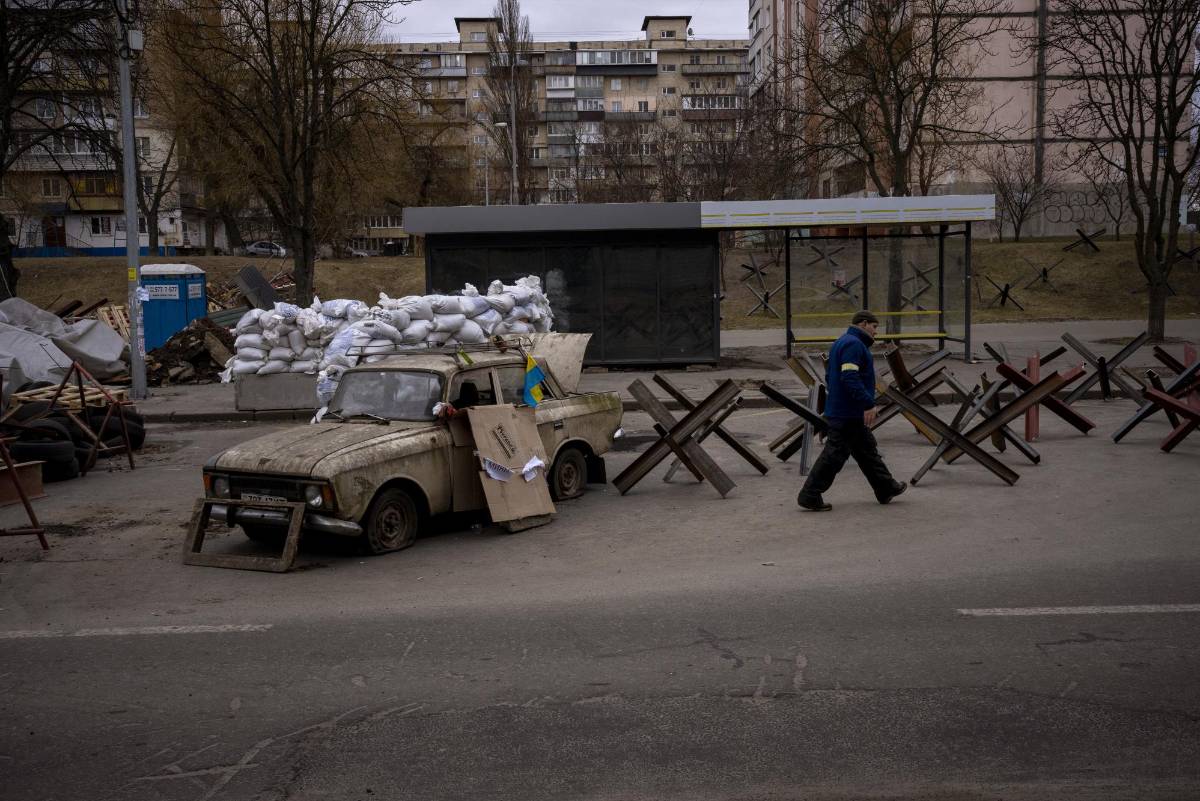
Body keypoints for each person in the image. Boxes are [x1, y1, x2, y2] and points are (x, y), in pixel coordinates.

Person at [797, 310, 906, 512]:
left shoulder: (843, 341)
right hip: (847, 412)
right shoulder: (853, 345)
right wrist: (867, 403)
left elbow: (830, 376)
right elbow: (849, 377)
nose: (876, 332)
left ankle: (885, 487)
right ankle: (810, 494)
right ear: (863, 324)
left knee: (866, 449)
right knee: (834, 454)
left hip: (846, 409)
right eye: (874, 327)